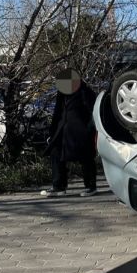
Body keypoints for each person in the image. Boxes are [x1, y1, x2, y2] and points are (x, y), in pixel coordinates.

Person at [41, 68, 98, 197]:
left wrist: (90, 129)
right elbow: (57, 112)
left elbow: (92, 112)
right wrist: (52, 131)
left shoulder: (86, 92)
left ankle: (91, 186)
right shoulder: (62, 93)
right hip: (63, 129)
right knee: (56, 152)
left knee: (86, 157)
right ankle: (58, 186)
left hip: (81, 131)